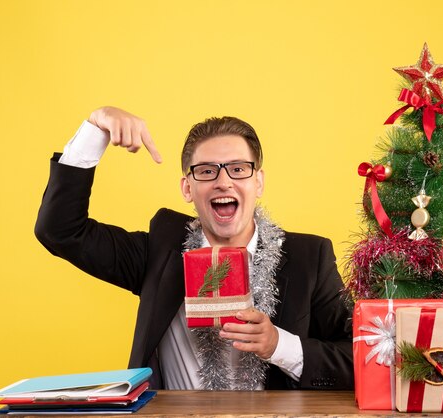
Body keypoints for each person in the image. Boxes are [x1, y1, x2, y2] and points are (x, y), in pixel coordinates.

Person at [35, 106, 353, 390]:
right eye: (206, 171)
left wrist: (278, 345)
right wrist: (95, 127)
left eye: (238, 169)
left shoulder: (309, 259)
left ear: (258, 182)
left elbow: (357, 359)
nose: (223, 182)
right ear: (188, 188)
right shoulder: (158, 253)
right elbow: (60, 230)